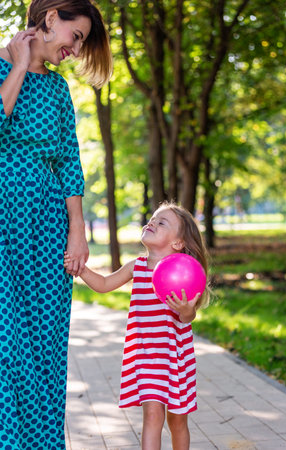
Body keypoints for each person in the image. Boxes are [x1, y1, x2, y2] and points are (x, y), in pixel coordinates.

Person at [0, 1, 112, 448]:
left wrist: (78, 229)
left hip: (47, 226)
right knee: (8, 344)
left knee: (46, 342)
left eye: (82, 41)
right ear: (50, 19)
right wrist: (20, 65)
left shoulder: (60, 91)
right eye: (77, 36)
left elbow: (70, 162)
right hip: (4, 224)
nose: (75, 48)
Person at [64, 202, 210, 450]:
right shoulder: (137, 267)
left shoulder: (183, 272)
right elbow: (103, 283)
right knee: (152, 415)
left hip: (175, 359)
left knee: (177, 421)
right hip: (147, 358)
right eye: (152, 219)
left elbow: (187, 317)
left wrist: (187, 311)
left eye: (161, 222)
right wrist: (81, 269)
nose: (151, 222)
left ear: (177, 243)